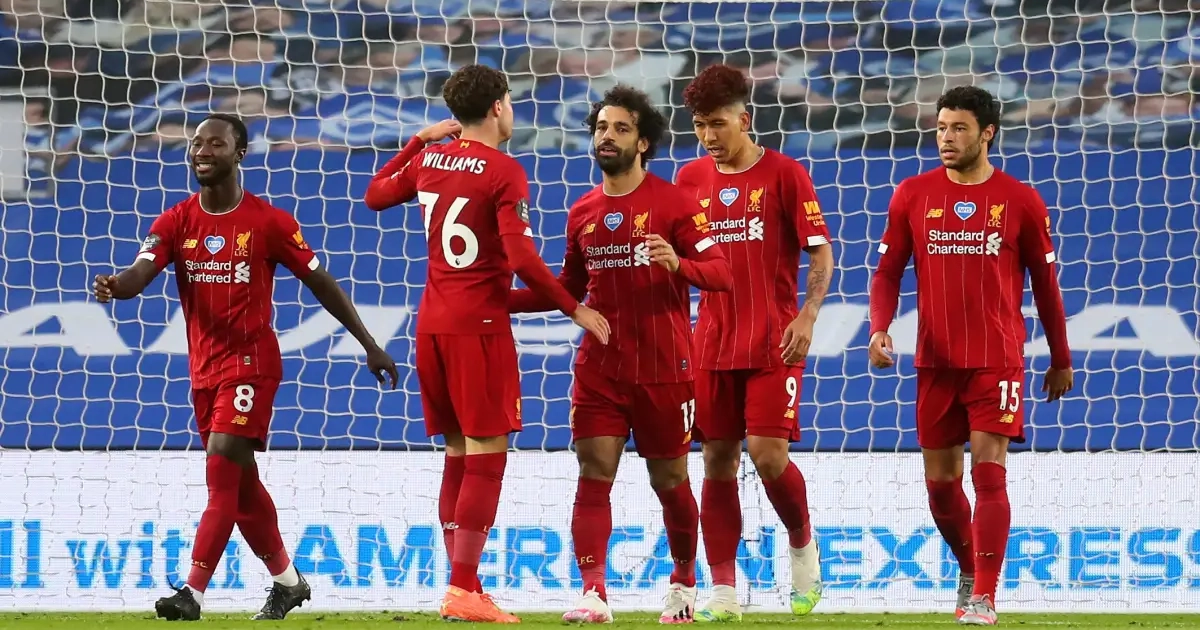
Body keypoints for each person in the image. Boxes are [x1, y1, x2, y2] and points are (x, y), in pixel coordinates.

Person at [93, 114, 400, 622]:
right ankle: (288, 582)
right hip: (204, 372)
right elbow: (139, 273)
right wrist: (115, 286)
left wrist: (369, 344)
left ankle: (192, 592)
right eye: (197, 143)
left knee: (221, 467)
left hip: (252, 366)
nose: (202, 150)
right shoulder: (175, 221)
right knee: (241, 485)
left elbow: (322, 283)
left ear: (239, 154)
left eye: (215, 143)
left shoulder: (269, 222)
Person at [363, 64, 610, 624]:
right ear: (498, 106)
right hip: (478, 329)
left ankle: (465, 587)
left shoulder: (429, 160)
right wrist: (573, 306)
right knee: (486, 457)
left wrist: (417, 140)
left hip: (431, 324)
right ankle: (460, 587)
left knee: (458, 453)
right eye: (511, 102)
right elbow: (521, 258)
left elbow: (375, 195)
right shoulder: (504, 171)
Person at [508, 85, 733, 624]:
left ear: (643, 142)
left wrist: (679, 265)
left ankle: (683, 583)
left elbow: (722, 273)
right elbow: (566, 288)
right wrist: (493, 296)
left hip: (664, 370)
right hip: (600, 370)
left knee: (670, 482)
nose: (607, 137)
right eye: (601, 128)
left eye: (620, 129)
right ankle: (593, 593)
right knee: (594, 472)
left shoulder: (675, 204)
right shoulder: (583, 210)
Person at [868, 86, 1073, 627]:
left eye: (958, 128)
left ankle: (984, 596)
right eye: (941, 128)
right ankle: (969, 569)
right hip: (935, 362)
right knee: (940, 488)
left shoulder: (1020, 200)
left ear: (987, 134)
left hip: (995, 358)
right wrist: (879, 327)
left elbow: (1046, 286)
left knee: (989, 476)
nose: (946, 138)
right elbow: (887, 272)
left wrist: (1060, 357)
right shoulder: (913, 194)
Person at [673, 64, 835, 622]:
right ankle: (722, 591)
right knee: (715, 461)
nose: (708, 136)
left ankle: (802, 545)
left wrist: (808, 315)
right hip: (711, 343)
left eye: (717, 124)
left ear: (745, 119)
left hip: (773, 341)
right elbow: (681, 260)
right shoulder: (689, 179)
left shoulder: (785, 175)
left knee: (768, 456)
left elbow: (820, 251)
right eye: (699, 125)